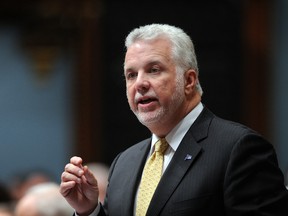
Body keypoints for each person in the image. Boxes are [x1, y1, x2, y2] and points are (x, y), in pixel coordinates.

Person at [60, 24, 288, 216]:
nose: (139, 83)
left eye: (154, 69)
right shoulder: (124, 163)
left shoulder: (238, 149)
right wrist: (89, 210)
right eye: (131, 74)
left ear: (189, 80)